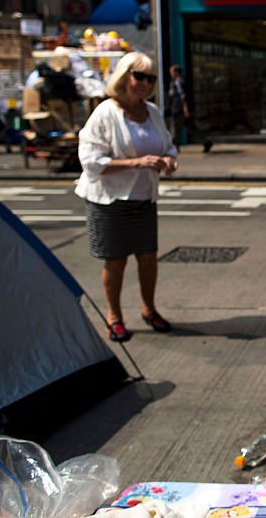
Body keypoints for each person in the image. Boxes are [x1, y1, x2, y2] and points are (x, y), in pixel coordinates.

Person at [75, 52, 178, 342]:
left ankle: (149, 309)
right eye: (139, 76)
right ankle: (114, 317)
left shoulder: (152, 112)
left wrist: (169, 161)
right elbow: (90, 161)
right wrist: (137, 163)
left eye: (150, 78)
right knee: (116, 260)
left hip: (143, 197)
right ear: (124, 76)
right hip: (109, 199)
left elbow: (168, 147)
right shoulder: (105, 112)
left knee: (148, 257)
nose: (144, 83)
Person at [165, 65, 189, 147]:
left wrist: (185, 109)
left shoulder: (179, 82)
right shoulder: (173, 82)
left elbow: (182, 96)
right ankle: (205, 141)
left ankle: (173, 145)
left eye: (171, 72)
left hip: (178, 109)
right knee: (189, 126)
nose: (171, 74)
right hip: (175, 108)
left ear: (176, 72)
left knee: (175, 128)